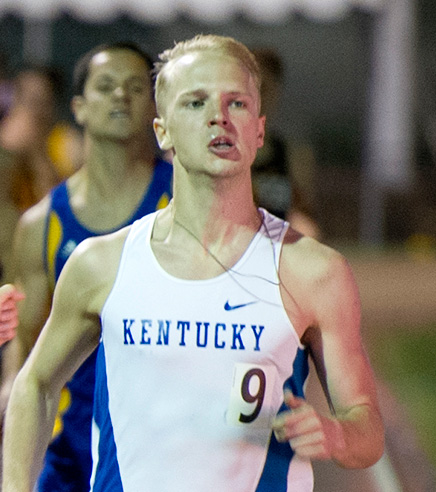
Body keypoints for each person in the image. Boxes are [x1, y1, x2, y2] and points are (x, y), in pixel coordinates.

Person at [3, 34, 383, 491]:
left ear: (259, 130)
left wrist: (338, 434)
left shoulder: (313, 272)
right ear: (162, 130)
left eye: (236, 103)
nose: (218, 117)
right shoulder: (101, 264)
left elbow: (367, 431)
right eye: (195, 103)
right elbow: (34, 385)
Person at [1, 42, 172, 491]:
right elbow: (26, 356)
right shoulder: (41, 224)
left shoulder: (186, 202)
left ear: (155, 110)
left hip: (163, 445)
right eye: (106, 86)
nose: (121, 96)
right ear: (78, 107)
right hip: (72, 450)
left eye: (136, 87)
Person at [0, 64, 83, 282]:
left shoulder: (67, 144)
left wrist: (36, 152)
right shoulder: (6, 141)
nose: (31, 111)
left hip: (48, 254)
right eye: (25, 100)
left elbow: (60, 212)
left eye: (39, 102)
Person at [251, 47, 320, 239]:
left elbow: (303, 212)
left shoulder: (289, 153)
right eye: (252, 89)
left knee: (306, 230)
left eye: (265, 89)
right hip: (237, 242)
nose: (259, 98)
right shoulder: (223, 151)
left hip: (276, 241)